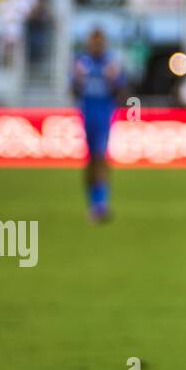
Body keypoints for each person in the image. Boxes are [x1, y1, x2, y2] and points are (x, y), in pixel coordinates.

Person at [71, 27, 126, 223]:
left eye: (99, 42)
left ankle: (101, 203)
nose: (96, 46)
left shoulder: (111, 63)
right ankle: (93, 202)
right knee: (90, 161)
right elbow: (74, 91)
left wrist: (114, 81)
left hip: (104, 114)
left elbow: (122, 92)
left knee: (101, 157)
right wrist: (77, 79)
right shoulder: (81, 63)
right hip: (87, 113)